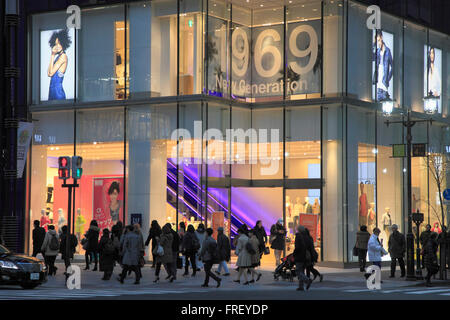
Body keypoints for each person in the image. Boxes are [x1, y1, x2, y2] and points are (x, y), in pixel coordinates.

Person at [47, 29, 71, 100]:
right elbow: (48, 73)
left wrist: (52, 55)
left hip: (58, 92)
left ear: (63, 43)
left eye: (59, 43)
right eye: (56, 44)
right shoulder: (57, 57)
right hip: (51, 91)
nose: (57, 46)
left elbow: (51, 73)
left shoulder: (63, 56)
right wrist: (52, 55)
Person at [372, 29, 393, 101]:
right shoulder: (377, 51)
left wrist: (387, 78)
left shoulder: (388, 51)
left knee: (384, 104)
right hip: (378, 84)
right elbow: (372, 57)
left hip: (384, 84)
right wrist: (374, 44)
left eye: (379, 40)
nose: (378, 43)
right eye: (377, 41)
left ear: (381, 38)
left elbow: (393, 67)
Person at [293, 226, 313, 291]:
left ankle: (307, 280)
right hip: (306, 257)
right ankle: (301, 286)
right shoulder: (308, 237)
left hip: (299, 256)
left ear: (298, 230)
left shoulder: (298, 236)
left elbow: (297, 247)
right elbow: (311, 247)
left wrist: (294, 254)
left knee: (298, 271)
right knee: (302, 271)